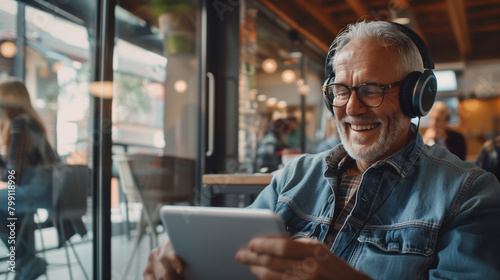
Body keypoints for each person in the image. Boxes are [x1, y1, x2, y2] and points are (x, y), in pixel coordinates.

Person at [144, 21, 500, 279]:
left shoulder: (469, 194)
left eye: (372, 89)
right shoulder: (293, 176)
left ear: (416, 97)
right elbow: (232, 255)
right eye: (341, 90)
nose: (352, 108)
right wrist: (187, 258)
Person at [0, 78, 59, 280]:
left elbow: (12, 175)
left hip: (36, 191)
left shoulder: (19, 123)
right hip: (49, 190)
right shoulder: (31, 122)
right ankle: (23, 264)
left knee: (4, 202)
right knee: (9, 209)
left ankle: (25, 260)